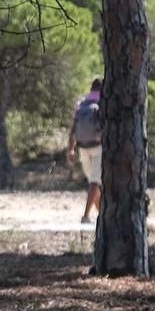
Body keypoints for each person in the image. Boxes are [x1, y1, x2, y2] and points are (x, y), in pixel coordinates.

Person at [66, 77, 104, 225]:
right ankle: (86, 216)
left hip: (82, 147)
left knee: (92, 183)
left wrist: (70, 148)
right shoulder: (102, 102)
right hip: (98, 146)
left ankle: (102, 217)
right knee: (94, 183)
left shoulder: (82, 104)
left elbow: (73, 129)